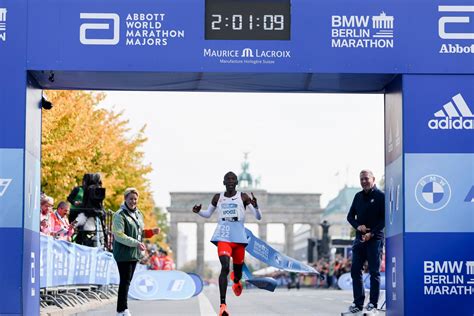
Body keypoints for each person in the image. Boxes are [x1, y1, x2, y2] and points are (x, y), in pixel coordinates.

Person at [192, 171, 262, 316]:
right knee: (224, 266)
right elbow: (208, 214)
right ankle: (223, 305)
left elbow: (258, 217)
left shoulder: (243, 196)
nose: (230, 181)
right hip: (223, 234)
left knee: (236, 272)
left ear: (236, 182)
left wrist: (256, 207)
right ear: (223, 182)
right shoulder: (218, 197)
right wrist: (199, 212)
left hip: (239, 236)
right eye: (227, 179)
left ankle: (236, 280)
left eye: (233, 179)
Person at [112, 187, 161, 316]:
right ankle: (123, 309)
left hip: (134, 253)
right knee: (125, 280)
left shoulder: (138, 214)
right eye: (130, 199)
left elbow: (140, 233)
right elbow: (118, 235)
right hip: (123, 252)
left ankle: (121, 309)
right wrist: (136, 243)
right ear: (125, 199)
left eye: (135, 199)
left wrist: (151, 232)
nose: (133, 201)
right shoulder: (119, 215)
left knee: (127, 281)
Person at [346, 170, 385, 314]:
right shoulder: (358, 196)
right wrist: (358, 226)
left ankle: (373, 304)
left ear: (373, 179)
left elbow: (384, 219)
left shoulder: (381, 196)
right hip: (359, 240)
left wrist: (372, 233)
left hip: (375, 239)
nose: (364, 181)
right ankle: (358, 303)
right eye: (361, 179)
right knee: (355, 271)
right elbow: (350, 217)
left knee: (374, 272)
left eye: (366, 179)